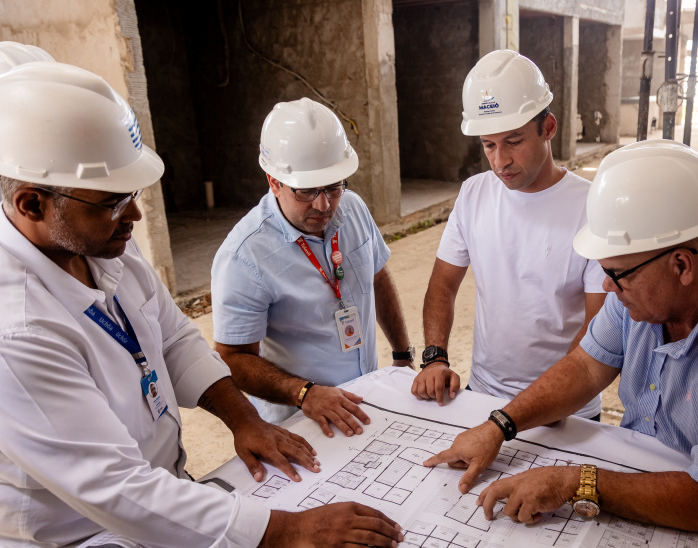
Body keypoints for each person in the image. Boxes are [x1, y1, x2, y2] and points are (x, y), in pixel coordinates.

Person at [0, 61, 403, 547]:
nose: (134, 214)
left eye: (133, 194)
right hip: (80, 533)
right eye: (111, 202)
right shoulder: (17, 327)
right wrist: (290, 530)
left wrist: (244, 419)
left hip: (161, 495)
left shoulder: (108, 251)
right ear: (31, 204)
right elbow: (115, 488)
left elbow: (176, 340)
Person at [424, 139, 698, 532]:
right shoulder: (639, 287)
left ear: (682, 265)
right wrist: (499, 426)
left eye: (617, 274)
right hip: (654, 474)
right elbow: (584, 367)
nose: (607, 288)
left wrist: (575, 483)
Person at [411, 50, 606, 420]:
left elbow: (596, 329)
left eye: (514, 141)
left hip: (566, 410)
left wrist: (535, 408)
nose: (500, 161)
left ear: (548, 127)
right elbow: (442, 286)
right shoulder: (473, 194)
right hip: (484, 395)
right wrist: (435, 357)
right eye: (488, 145)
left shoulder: (590, 207)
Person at [212, 98, 413, 437]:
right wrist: (304, 393)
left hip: (367, 398)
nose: (324, 205)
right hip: (302, 421)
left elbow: (377, 277)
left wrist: (403, 354)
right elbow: (232, 358)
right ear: (273, 181)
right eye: (306, 191)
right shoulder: (244, 256)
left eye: (333, 186)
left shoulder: (353, 209)